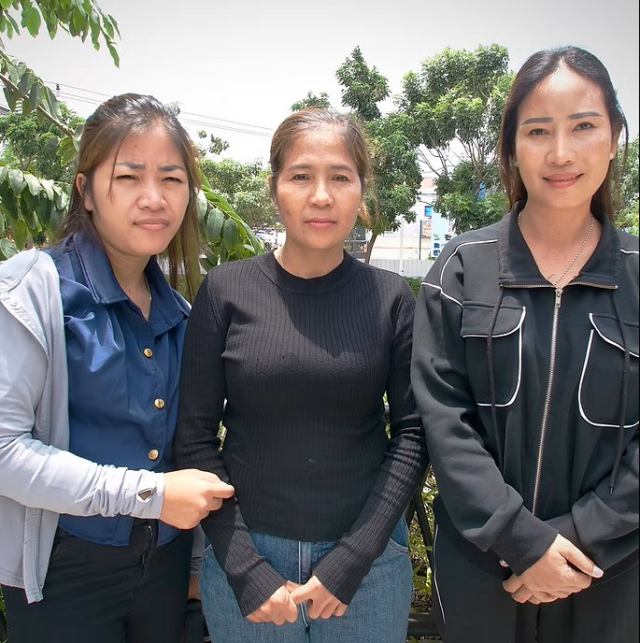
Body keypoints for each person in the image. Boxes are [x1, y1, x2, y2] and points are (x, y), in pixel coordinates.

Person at [174, 108, 428, 643]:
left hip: (368, 565)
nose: (321, 196)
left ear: (361, 192)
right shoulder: (225, 291)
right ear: (274, 188)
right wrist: (245, 568)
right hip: (247, 558)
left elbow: (413, 434)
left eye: (340, 177)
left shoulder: (390, 299)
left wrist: (353, 559)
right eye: (300, 176)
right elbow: (194, 437)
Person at [411, 45, 639, 643]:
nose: (560, 153)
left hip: (609, 573)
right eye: (538, 131)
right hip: (481, 568)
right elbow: (443, 420)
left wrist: (576, 542)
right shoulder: (463, 268)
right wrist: (522, 540)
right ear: (512, 146)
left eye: (583, 126)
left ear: (614, 137)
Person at [0, 93, 235, 643]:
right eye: (128, 177)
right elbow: (5, 451)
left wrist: (195, 565)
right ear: (85, 190)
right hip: (64, 572)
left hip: (165, 569)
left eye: (172, 179)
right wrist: (148, 495)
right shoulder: (34, 292)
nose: (154, 198)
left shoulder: (181, 313)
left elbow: (191, 449)